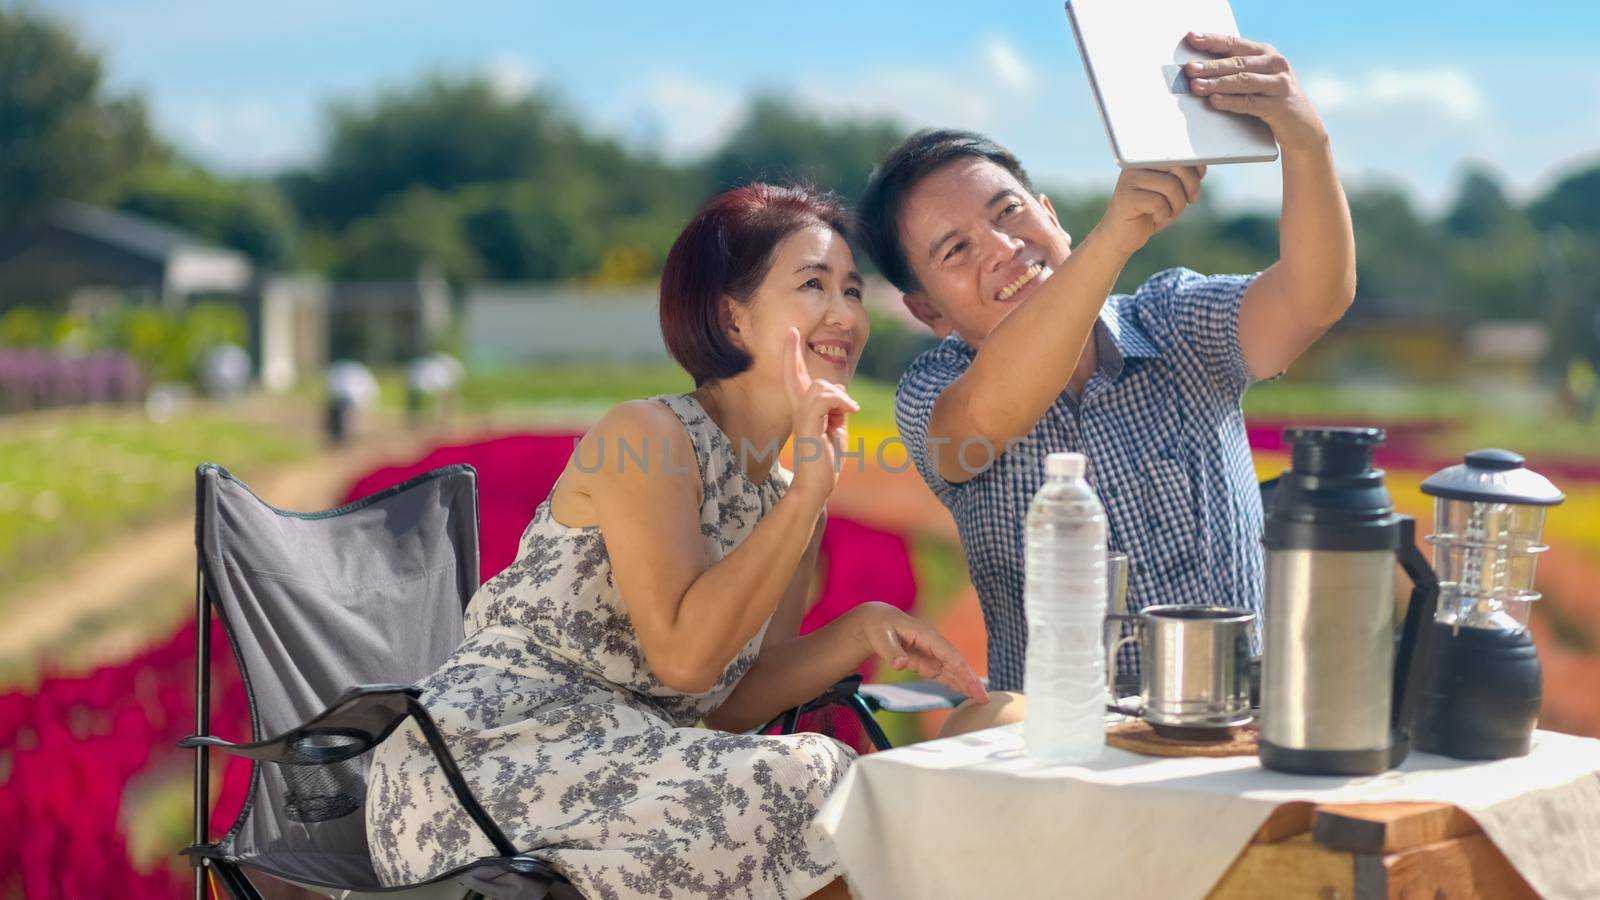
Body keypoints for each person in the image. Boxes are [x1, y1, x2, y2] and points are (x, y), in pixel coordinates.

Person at [365, 183, 987, 900]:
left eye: (851, 290)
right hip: (482, 768)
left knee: (839, 792)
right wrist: (812, 493)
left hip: (630, 767)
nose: (843, 313)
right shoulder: (647, 437)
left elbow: (730, 700)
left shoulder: (790, 490)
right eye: (813, 284)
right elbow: (687, 658)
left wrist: (863, 629)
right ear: (732, 315)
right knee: (814, 779)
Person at [857, 33, 1354, 716]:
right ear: (926, 310)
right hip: (1062, 743)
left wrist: (1305, 143)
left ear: (1051, 216)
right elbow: (990, 414)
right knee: (983, 721)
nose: (1004, 249)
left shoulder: (1176, 324)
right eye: (956, 250)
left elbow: (1313, 296)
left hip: (1235, 716)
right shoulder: (932, 393)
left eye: (1009, 212)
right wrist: (1117, 233)